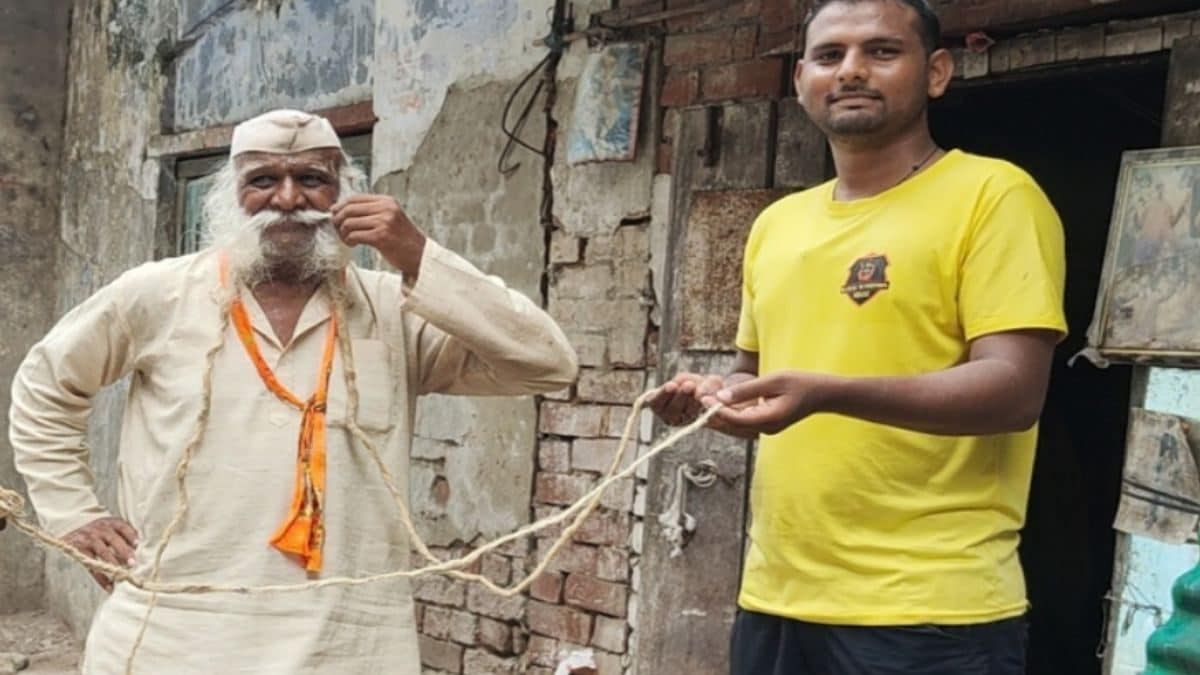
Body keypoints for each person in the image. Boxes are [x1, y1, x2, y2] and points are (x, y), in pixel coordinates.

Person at [9, 109, 578, 674]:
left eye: (311, 179)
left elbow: (548, 364)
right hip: (173, 632)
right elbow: (45, 386)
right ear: (230, 195)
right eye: (263, 181)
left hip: (350, 640)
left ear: (343, 195)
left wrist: (419, 256)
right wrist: (72, 513)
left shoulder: (391, 307)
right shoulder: (159, 293)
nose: (287, 199)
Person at [648, 1, 1067, 673]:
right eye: (829, 55)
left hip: (930, 610)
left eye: (880, 52)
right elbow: (752, 377)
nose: (850, 71)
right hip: (777, 597)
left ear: (935, 72)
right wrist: (716, 399)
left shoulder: (993, 195)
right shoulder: (777, 226)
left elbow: (1014, 390)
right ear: (800, 80)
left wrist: (826, 393)